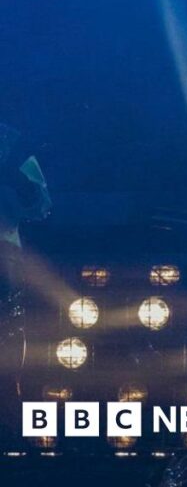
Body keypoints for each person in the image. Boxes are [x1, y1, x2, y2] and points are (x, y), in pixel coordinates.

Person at [0, 122, 50, 442]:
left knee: (10, 333)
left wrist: (12, 175)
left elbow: (41, 206)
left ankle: (8, 415)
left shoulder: (17, 157)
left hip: (6, 260)